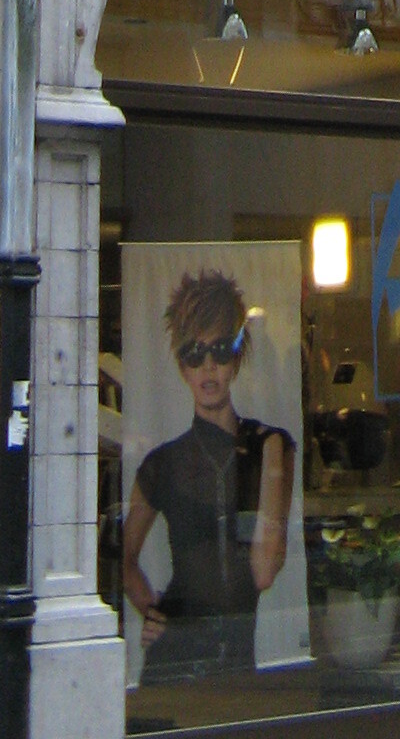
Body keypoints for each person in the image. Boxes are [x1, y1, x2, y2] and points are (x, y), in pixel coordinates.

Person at [123, 268, 295, 686]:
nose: (208, 367)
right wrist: (150, 609)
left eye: (220, 350)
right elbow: (120, 559)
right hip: (171, 661)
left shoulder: (269, 445)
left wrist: (264, 457)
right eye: (193, 354)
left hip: (236, 669)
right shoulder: (163, 464)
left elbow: (263, 572)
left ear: (237, 357)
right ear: (182, 366)